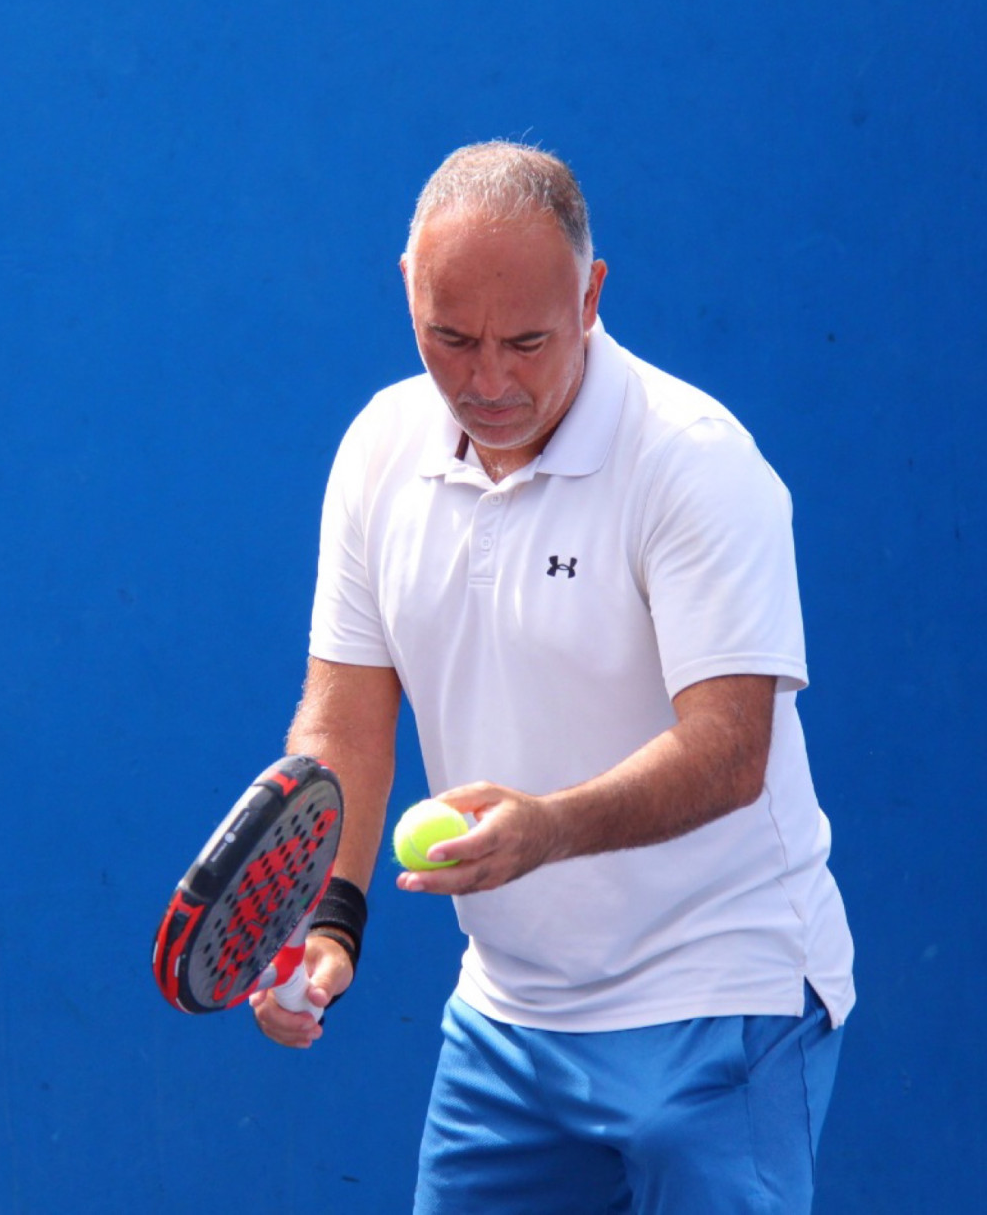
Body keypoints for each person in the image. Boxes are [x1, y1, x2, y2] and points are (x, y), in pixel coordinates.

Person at [251, 141, 855, 1214]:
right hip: (508, 1019)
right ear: (408, 289)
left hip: (722, 997)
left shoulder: (694, 460)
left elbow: (729, 751)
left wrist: (549, 828)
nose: (487, 381)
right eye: (450, 337)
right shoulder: (379, 449)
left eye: (526, 341)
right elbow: (345, 721)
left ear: (591, 295)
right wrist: (326, 918)